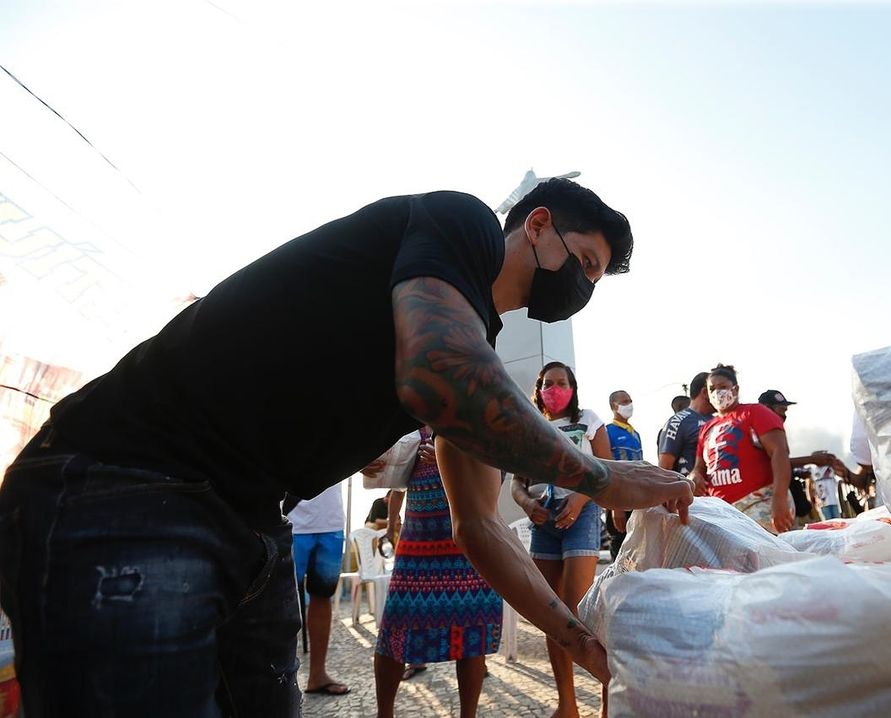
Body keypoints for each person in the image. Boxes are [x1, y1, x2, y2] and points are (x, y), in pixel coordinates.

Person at [0, 179, 694, 716]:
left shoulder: (472, 345)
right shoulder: (462, 224)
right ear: (537, 225)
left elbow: (480, 525)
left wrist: (579, 642)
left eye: (593, 282)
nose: (580, 289)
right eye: (584, 263)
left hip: (249, 515)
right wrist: (599, 477)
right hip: (126, 481)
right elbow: (437, 375)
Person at [373, 428, 500, 718]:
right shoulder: (408, 424)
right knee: (395, 627)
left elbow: (496, 474)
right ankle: (384, 714)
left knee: (472, 631)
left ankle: (468, 715)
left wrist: (452, 460)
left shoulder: (474, 422)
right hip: (418, 540)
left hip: (469, 540)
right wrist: (391, 524)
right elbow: (394, 479)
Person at [511, 362, 610, 718]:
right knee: (551, 613)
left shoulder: (589, 420)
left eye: (562, 383)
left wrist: (580, 500)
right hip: (543, 520)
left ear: (573, 387)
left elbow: (606, 471)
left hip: (580, 514)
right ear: (538, 390)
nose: (555, 389)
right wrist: (527, 504)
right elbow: (517, 483)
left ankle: (608, 695)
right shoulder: (528, 427)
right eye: (548, 383)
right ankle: (567, 704)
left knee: (578, 609)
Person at [689, 365, 794, 534]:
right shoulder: (707, 429)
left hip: (759, 502)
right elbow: (699, 467)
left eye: (722, 387)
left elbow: (779, 452)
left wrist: (779, 498)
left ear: (735, 389)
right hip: (722, 511)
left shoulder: (755, 412)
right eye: (712, 389)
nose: (717, 392)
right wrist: (695, 475)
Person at [289, 483, 350, 696]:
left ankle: (317, 675)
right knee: (279, 599)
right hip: (289, 522)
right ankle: (277, 679)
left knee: (323, 596)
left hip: (331, 522)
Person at [757, 389, 839, 527]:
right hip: (772, 505)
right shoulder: (756, 433)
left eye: (785, 411)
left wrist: (800, 471)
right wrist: (812, 460)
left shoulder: (775, 432)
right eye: (781, 410)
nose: (784, 415)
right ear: (766, 409)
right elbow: (770, 464)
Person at [604, 389, 642, 560]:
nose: (629, 405)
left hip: (636, 497)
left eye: (630, 400)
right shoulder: (607, 432)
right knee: (619, 544)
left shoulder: (635, 433)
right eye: (624, 402)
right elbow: (607, 469)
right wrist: (615, 506)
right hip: (618, 497)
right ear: (614, 406)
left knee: (637, 546)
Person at [657, 372, 714, 475]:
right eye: (717, 389)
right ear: (705, 392)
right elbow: (664, 468)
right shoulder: (677, 421)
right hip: (689, 484)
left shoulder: (719, 421)